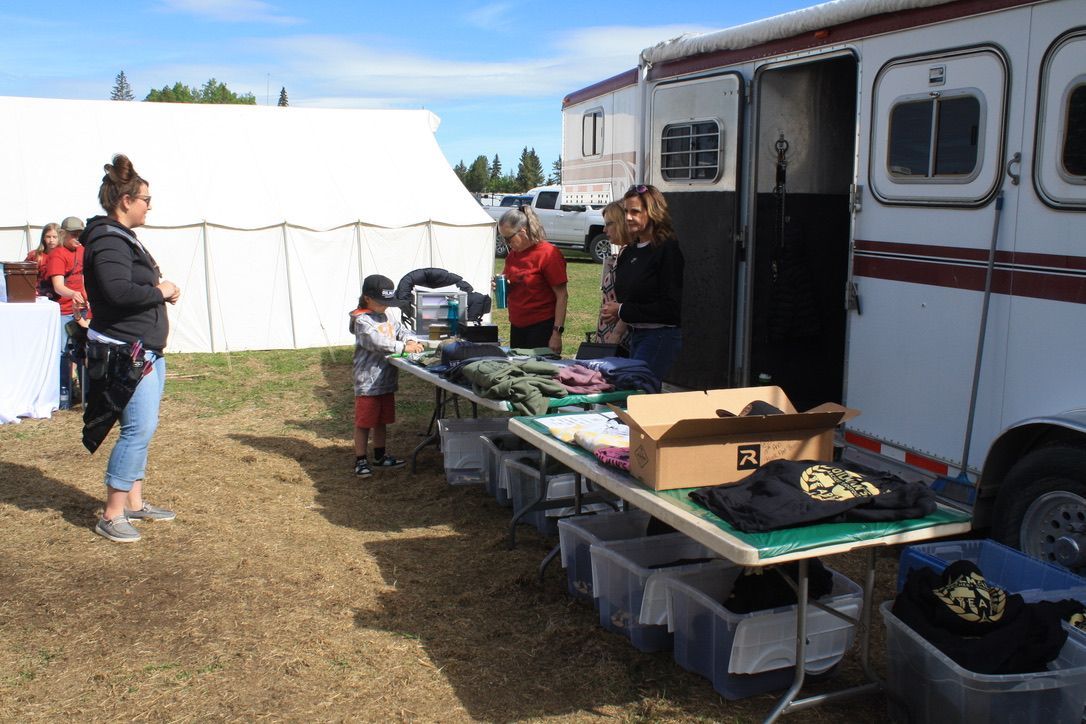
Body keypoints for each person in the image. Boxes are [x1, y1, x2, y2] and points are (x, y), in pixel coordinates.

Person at [82, 154, 181, 543]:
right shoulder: (108, 239)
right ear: (125, 201)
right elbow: (117, 292)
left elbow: (126, 288)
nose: (149, 205)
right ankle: (111, 514)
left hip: (144, 349)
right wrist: (160, 290)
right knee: (137, 429)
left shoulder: (121, 238)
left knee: (142, 427)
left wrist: (159, 294)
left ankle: (134, 503)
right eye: (145, 198)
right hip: (127, 350)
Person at [600, 184, 684, 380]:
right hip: (636, 336)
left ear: (653, 213)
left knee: (637, 391)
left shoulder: (667, 250)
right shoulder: (629, 252)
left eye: (635, 211)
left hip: (660, 337)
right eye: (627, 211)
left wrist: (621, 310)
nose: (628, 217)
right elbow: (630, 299)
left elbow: (670, 309)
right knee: (630, 393)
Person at [350, 274, 424, 477]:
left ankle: (380, 456)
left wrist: (411, 339)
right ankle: (361, 459)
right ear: (367, 299)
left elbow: (402, 330)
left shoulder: (387, 316)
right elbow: (378, 342)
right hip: (368, 381)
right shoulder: (362, 321)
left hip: (386, 380)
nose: (386, 306)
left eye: (388, 302)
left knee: (382, 420)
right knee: (364, 422)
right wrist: (405, 348)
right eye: (382, 302)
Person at [497, 205, 568, 353]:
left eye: (508, 238)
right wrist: (503, 286)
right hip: (517, 325)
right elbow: (513, 283)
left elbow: (562, 296)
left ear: (523, 231)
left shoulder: (548, 254)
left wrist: (556, 333)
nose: (506, 243)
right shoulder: (512, 256)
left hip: (541, 327)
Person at [44, 217, 89, 407]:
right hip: (64, 311)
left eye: (80, 233)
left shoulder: (83, 251)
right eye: (74, 234)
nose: (78, 237)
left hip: (83, 309)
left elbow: (87, 278)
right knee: (64, 354)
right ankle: (64, 396)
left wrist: (89, 300)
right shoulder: (58, 255)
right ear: (64, 234)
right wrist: (74, 294)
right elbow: (58, 286)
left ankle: (87, 395)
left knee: (85, 352)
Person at [594, 201, 632, 352]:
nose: (604, 229)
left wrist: (617, 333)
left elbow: (632, 299)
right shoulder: (623, 252)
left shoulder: (630, 254)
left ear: (622, 223)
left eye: (609, 224)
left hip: (620, 337)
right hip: (609, 332)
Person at [26, 223, 60, 293]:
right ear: (43, 238)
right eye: (48, 237)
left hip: (59, 295)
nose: (51, 240)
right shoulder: (35, 255)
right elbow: (24, 275)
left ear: (60, 238)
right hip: (39, 295)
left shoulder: (64, 255)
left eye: (54, 237)